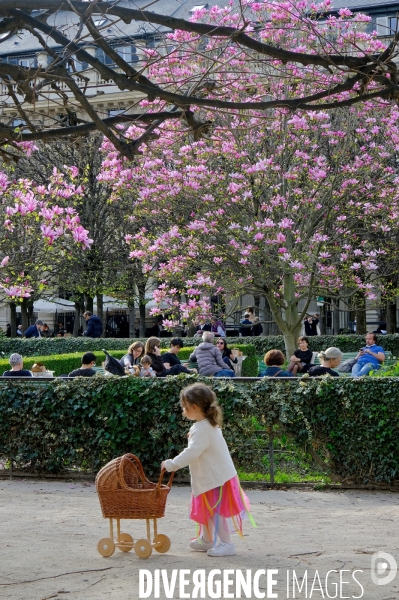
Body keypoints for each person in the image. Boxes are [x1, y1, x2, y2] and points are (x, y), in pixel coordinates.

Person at [162, 382, 253, 557]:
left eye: (185, 407)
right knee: (207, 509)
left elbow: (191, 453)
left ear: (194, 407)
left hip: (214, 480)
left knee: (214, 511)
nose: (183, 410)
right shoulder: (206, 424)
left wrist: (170, 464)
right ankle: (207, 539)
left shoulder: (202, 428)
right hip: (213, 478)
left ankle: (227, 544)